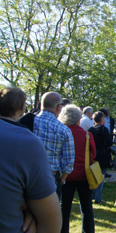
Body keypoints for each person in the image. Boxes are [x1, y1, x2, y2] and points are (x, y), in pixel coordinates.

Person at [0, 88, 62, 233]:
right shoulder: (25, 140)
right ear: (22, 108)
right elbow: (51, 224)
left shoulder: (28, 127)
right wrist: (30, 209)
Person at [59, 104, 96, 233]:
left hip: (65, 175)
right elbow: (93, 153)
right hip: (84, 174)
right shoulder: (86, 134)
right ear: (78, 118)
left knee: (64, 208)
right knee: (86, 208)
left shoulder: (61, 132)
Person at [34, 91, 75, 200]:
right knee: (48, 215)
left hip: (28, 175)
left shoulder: (28, 122)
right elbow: (69, 161)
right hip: (50, 177)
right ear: (58, 107)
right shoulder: (63, 129)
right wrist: (61, 180)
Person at [88, 111, 113, 204]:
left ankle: (92, 196)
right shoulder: (104, 129)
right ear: (102, 119)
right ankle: (98, 198)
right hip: (103, 154)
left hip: (93, 155)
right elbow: (109, 142)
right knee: (101, 176)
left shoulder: (90, 130)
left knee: (93, 176)